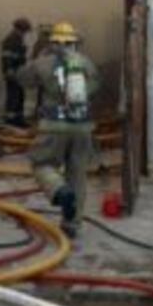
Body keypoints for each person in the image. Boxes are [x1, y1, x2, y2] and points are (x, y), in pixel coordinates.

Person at [15, 21, 100, 238]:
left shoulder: (44, 63)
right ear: (74, 43)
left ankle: (59, 191)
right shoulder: (86, 63)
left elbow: (22, 78)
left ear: (53, 42)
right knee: (78, 175)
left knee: (42, 164)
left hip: (53, 126)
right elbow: (95, 87)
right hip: (83, 128)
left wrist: (39, 60)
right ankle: (72, 224)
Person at [1, 17, 32, 128]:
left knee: (19, 96)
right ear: (20, 29)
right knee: (13, 97)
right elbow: (7, 57)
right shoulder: (11, 40)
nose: (25, 34)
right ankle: (11, 121)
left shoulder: (17, 39)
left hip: (18, 73)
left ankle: (18, 119)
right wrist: (10, 71)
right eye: (25, 31)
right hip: (13, 73)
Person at [30, 23, 53, 118]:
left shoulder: (39, 44)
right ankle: (42, 112)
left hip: (45, 73)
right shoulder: (44, 44)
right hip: (46, 73)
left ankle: (41, 112)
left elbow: (34, 58)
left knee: (43, 93)